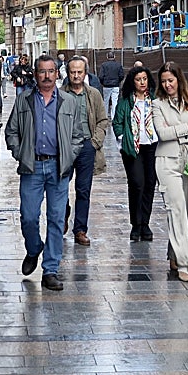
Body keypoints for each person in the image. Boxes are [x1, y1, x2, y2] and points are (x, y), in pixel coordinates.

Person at [3, 53, 88, 291]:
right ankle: (33, 249)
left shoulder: (68, 101)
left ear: (57, 73)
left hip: (58, 167)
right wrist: (20, 152)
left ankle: (50, 270)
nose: (47, 76)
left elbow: (79, 134)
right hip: (31, 167)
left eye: (51, 71)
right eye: (42, 71)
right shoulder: (25, 100)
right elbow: (11, 131)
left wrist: (69, 156)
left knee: (56, 218)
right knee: (29, 216)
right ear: (36, 74)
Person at [152, 61, 188, 282]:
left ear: (179, 80)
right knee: (176, 212)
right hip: (167, 162)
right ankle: (185, 264)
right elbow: (162, 134)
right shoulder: (157, 104)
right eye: (164, 81)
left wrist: (181, 131)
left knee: (187, 212)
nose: (167, 85)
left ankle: (174, 254)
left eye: (171, 80)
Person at [61, 56, 110, 246]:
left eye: (79, 72)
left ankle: (80, 229)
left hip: (86, 147)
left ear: (85, 72)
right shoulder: (59, 94)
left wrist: (95, 142)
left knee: (83, 190)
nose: (76, 75)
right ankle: (62, 216)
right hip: (65, 148)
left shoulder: (93, 94)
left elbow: (103, 120)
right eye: (72, 72)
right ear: (68, 72)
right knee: (60, 187)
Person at [111, 65, 159, 241]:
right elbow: (117, 123)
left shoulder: (154, 99)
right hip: (133, 147)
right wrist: (123, 140)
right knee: (137, 183)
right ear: (133, 81)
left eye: (145, 79)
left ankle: (145, 223)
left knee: (150, 183)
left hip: (152, 145)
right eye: (138, 79)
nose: (142, 82)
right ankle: (136, 224)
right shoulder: (125, 101)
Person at [98, 52, 124, 120]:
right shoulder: (118, 65)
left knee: (105, 101)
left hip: (106, 86)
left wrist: (103, 83)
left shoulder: (104, 65)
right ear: (114, 56)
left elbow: (101, 76)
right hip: (115, 85)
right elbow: (121, 76)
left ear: (107, 57)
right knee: (114, 101)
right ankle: (114, 117)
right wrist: (118, 81)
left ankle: (105, 117)